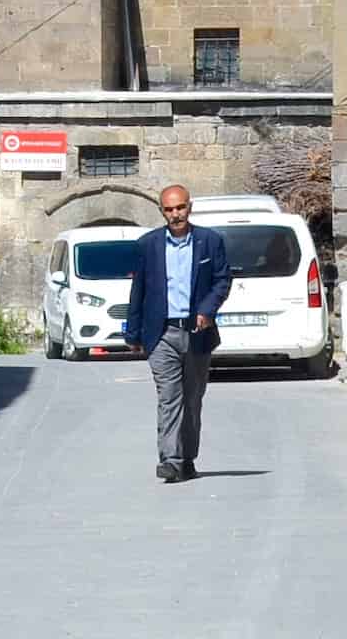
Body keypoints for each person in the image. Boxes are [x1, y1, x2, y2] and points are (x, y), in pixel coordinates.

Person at [124, 184, 232, 483]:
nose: (176, 214)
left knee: (192, 399)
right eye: (169, 209)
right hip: (162, 333)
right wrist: (133, 334)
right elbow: (139, 290)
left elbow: (222, 280)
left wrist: (208, 309)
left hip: (197, 332)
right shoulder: (148, 245)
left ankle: (186, 457)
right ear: (162, 211)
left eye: (180, 208)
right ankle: (169, 459)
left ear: (190, 207)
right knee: (169, 397)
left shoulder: (210, 242)